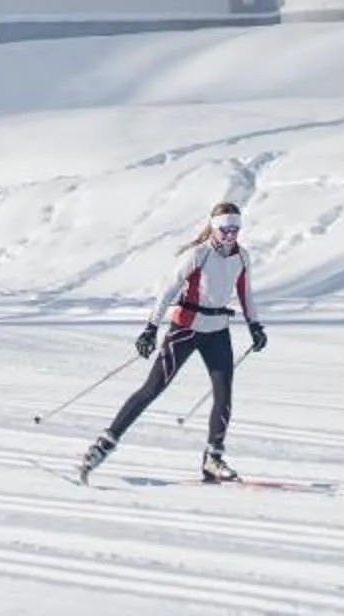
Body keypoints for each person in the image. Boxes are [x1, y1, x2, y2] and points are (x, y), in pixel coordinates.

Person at [78, 201, 268, 484]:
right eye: (226, 230)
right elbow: (167, 291)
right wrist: (150, 329)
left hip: (218, 331)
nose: (231, 236)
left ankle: (213, 458)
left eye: (235, 230)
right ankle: (102, 446)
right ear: (215, 229)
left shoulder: (242, 257)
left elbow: (245, 293)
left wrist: (255, 325)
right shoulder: (198, 254)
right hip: (186, 329)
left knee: (224, 394)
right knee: (153, 388)